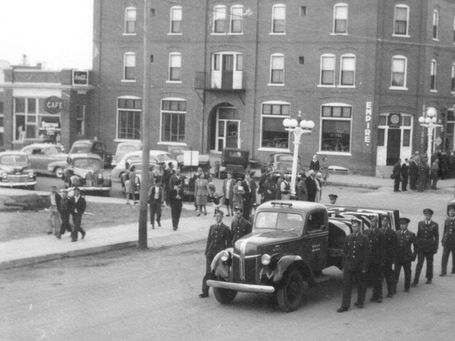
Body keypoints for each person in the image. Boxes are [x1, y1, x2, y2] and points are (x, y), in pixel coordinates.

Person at [337, 218, 370, 312]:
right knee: (346, 286)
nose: (354, 228)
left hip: (359, 266)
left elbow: (366, 254)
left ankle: (360, 301)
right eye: (353, 226)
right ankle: (345, 305)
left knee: (360, 285)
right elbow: (345, 253)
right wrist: (344, 265)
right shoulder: (348, 238)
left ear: (359, 227)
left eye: (356, 226)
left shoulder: (364, 238)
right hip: (349, 266)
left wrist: (364, 267)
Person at [200, 210, 232, 298]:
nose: (217, 218)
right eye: (216, 216)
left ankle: (223, 291)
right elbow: (209, 240)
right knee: (208, 272)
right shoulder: (212, 227)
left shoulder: (225, 229)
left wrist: (226, 255)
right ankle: (205, 291)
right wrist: (207, 251)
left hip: (219, 254)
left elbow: (228, 243)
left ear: (222, 217)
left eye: (219, 216)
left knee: (220, 271)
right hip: (211, 253)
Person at [413, 208, 439, 286]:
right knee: (419, 264)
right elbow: (418, 235)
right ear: (424, 215)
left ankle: (429, 278)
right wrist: (416, 246)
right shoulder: (420, 223)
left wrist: (435, 247)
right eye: (426, 215)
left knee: (429, 264)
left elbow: (436, 236)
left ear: (431, 216)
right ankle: (415, 280)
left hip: (430, 247)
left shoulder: (435, 225)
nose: (427, 216)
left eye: (429, 215)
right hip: (421, 247)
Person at [364, 216, 385, 303]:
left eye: (375, 222)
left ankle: (378, 296)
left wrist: (382, 260)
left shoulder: (380, 234)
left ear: (377, 223)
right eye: (372, 222)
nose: (373, 223)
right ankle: (372, 296)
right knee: (368, 278)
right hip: (368, 259)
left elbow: (382, 248)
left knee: (377, 279)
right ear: (370, 223)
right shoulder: (365, 232)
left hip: (377, 259)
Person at [394, 217, 416, 292]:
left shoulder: (411, 234)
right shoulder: (396, 233)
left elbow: (416, 246)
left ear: (407, 225)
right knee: (396, 273)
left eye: (404, 224)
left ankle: (407, 288)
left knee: (407, 273)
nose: (402, 226)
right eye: (401, 224)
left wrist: (413, 256)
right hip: (398, 257)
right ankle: (393, 288)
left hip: (407, 257)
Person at [381, 216, 398, 297]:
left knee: (388, 276)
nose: (384, 222)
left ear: (388, 222)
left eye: (386, 221)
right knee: (379, 277)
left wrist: (393, 259)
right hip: (380, 258)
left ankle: (391, 291)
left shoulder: (392, 232)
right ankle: (378, 294)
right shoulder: (379, 231)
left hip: (388, 258)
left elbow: (394, 247)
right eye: (383, 220)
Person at [441, 204, 455, 276]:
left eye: (452, 211)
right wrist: (443, 240)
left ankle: (454, 270)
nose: (451, 212)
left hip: (454, 242)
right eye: (450, 211)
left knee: (454, 257)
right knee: (444, 257)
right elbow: (444, 230)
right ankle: (443, 271)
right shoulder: (447, 220)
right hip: (447, 241)